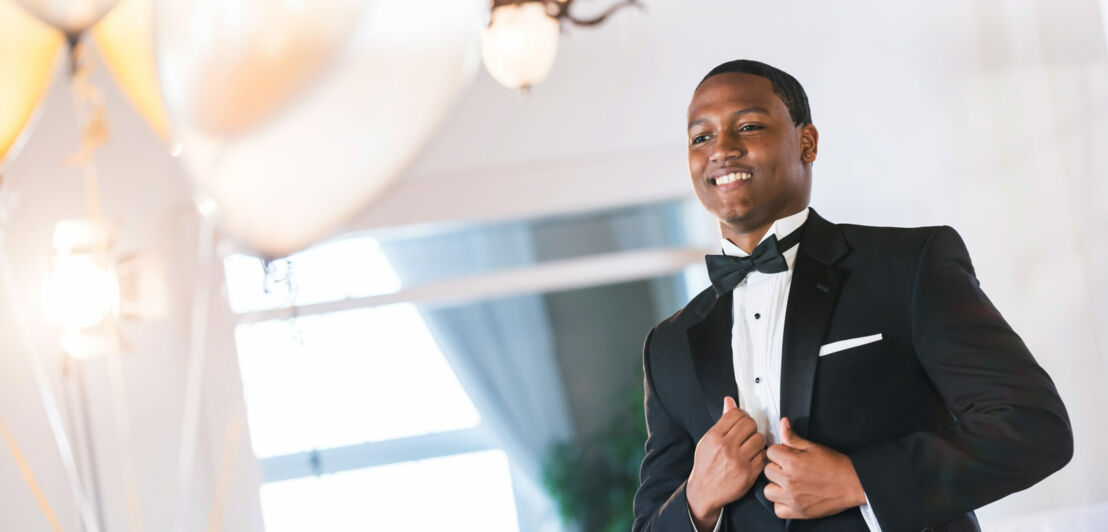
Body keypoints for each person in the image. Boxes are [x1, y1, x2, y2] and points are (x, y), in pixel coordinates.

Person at [631, 59, 1072, 532]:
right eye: (701, 137)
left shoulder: (909, 266)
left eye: (749, 126)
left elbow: (1031, 426)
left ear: (807, 142)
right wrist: (697, 499)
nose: (722, 150)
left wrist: (860, 481)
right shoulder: (667, 347)